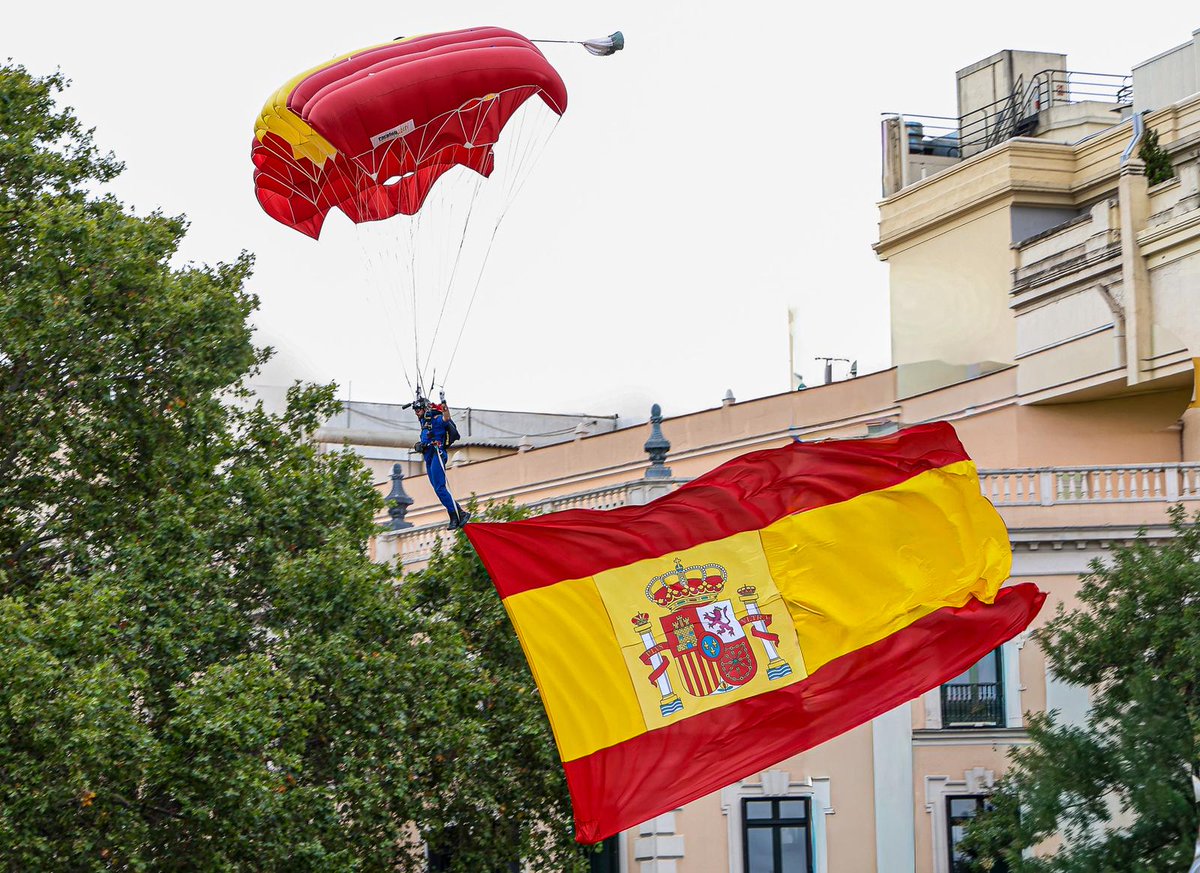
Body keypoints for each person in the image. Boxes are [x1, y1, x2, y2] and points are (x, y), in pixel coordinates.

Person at [412, 392, 469, 529]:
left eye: (418, 410)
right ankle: (456, 514)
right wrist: (420, 445)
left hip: (437, 453)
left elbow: (446, 417)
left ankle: (457, 513)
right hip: (429, 456)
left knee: (440, 487)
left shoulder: (436, 419)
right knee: (437, 489)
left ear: (425, 409)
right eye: (415, 411)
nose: (416, 413)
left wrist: (443, 403)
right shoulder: (423, 422)